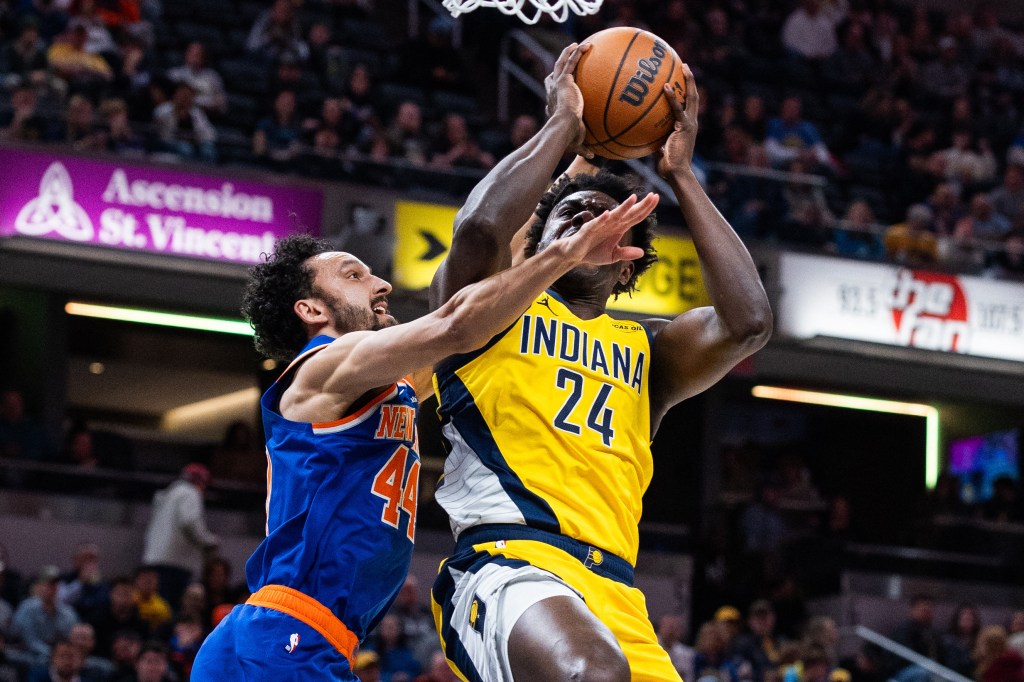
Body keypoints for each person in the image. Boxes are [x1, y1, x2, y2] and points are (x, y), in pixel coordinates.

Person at [191, 169, 658, 679]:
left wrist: (560, 185)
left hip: (319, 642)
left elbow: (495, 295)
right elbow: (457, 324)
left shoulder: (391, 384)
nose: (381, 282)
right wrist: (566, 249)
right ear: (310, 308)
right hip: (282, 634)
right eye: (353, 275)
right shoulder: (322, 365)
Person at [428, 44, 772, 681]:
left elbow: (748, 323)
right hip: (508, 564)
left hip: (616, 592)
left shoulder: (652, 352)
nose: (587, 220)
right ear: (540, 241)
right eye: (570, 213)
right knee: (593, 674)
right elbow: (477, 231)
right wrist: (563, 125)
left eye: (608, 219)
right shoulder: (487, 313)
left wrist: (683, 176)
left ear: (629, 263)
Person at [142, 464, 219, 610]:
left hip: (155, 559)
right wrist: (209, 540)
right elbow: (190, 521)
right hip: (176, 561)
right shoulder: (190, 492)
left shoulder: (168, 494)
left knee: (158, 605)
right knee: (172, 607)